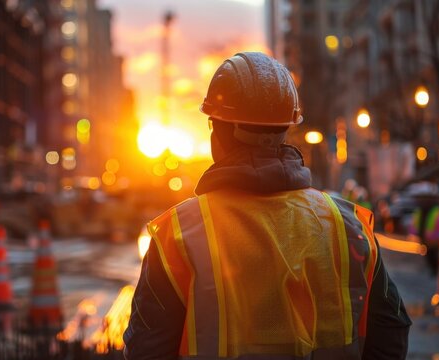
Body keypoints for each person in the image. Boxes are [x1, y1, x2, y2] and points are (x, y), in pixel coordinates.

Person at [123, 52, 411, 359]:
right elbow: (391, 330)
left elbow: (146, 349)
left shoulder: (177, 236)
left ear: (217, 132)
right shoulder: (347, 227)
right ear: (286, 130)